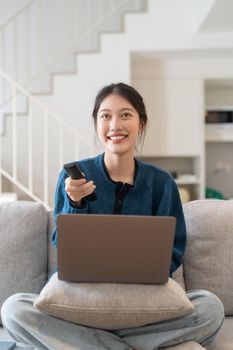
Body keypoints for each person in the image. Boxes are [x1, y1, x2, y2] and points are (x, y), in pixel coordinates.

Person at [1, 83, 224, 350]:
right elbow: (62, 246)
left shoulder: (162, 183)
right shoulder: (74, 178)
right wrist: (75, 203)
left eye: (126, 115)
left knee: (210, 306)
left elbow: (173, 253)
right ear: (96, 124)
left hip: (143, 303)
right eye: (105, 116)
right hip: (82, 301)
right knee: (14, 309)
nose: (115, 124)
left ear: (141, 123)